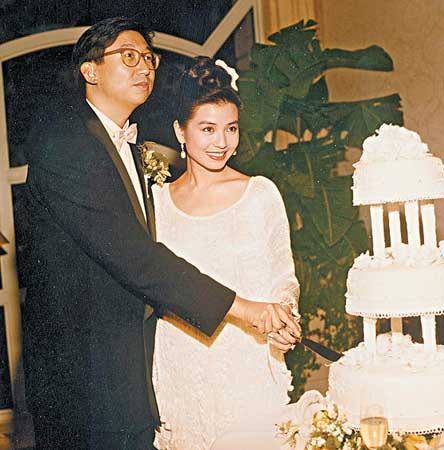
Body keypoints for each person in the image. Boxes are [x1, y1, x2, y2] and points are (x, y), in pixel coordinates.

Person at [20, 17, 300, 450]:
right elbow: (135, 256)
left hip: (134, 378)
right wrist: (244, 309)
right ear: (90, 70)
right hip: (88, 382)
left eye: (149, 59)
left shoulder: (130, 151)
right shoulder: (66, 143)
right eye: (128, 56)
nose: (144, 68)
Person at [152, 57, 301, 450]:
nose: (222, 143)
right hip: (181, 366)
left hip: (246, 364)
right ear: (180, 131)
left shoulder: (260, 194)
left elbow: (283, 277)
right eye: (208, 129)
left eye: (231, 128)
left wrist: (285, 316)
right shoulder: (157, 204)